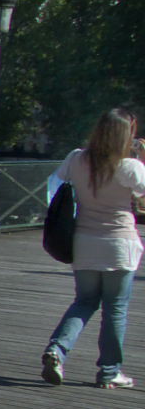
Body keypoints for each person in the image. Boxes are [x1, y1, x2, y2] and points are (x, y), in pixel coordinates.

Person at [41, 108, 145, 388]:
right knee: (115, 309)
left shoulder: (77, 158)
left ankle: (57, 350)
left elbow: (54, 185)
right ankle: (109, 372)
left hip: (84, 243)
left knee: (84, 302)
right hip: (119, 246)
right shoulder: (130, 167)